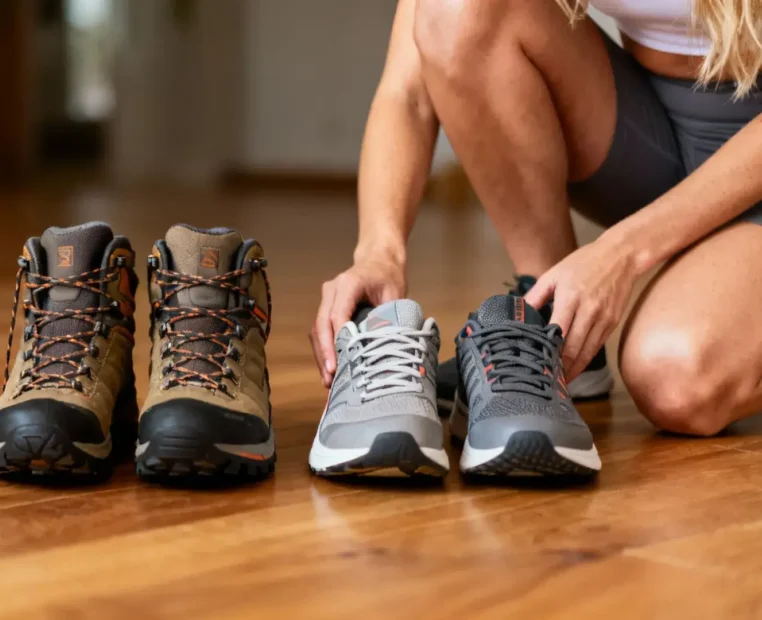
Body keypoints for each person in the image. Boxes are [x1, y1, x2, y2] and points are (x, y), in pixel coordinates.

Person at [309, 0, 762, 437]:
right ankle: (556, 325)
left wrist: (623, 250)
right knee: (459, 9)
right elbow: (407, 92)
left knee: (677, 378)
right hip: (655, 131)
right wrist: (378, 253)